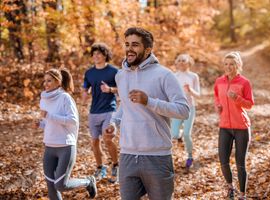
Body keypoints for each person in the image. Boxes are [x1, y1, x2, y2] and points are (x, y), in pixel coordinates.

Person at [104, 27, 190, 200]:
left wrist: (149, 101)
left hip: (157, 156)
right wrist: (114, 122)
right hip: (127, 154)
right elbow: (125, 106)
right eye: (127, 44)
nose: (129, 49)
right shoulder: (121, 75)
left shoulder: (164, 75)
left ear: (148, 49)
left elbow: (183, 110)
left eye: (135, 45)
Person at [35, 68, 97, 199]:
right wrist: (40, 124)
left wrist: (50, 116)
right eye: (44, 81)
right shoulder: (44, 99)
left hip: (65, 146)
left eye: (49, 80)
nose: (45, 84)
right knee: (51, 187)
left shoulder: (65, 98)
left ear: (58, 82)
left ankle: (88, 182)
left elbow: (73, 121)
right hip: (49, 147)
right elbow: (49, 122)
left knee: (61, 185)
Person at [214, 52, 254, 200]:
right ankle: (230, 187)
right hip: (224, 126)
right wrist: (218, 106)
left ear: (238, 65)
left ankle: (242, 195)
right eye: (226, 64)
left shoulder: (244, 82)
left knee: (240, 163)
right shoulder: (219, 81)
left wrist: (237, 98)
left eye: (232, 64)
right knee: (223, 161)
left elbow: (249, 104)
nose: (228, 67)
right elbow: (217, 97)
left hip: (241, 127)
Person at [82, 42, 119, 181]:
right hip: (94, 111)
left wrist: (110, 89)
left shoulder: (114, 71)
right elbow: (85, 89)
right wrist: (84, 96)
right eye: (94, 54)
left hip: (110, 109)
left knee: (108, 138)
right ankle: (100, 168)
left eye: (99, 53)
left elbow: (123, 89)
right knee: (94, 142)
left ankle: (116, 165)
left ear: (105, 55)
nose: (96, 56)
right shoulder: (89, 73)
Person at [171, 54, 201, 170]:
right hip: (176, 108)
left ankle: (189, 156)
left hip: (189, 107)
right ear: (176, 63)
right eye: (179, 60)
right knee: (174, 134)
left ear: (189, 62)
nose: (182, 62)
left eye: (184, 60)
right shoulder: (173, 76)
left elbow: (198, 95)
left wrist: (190, 90)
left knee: (187, 134)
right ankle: (180, 135)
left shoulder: (193, 76)